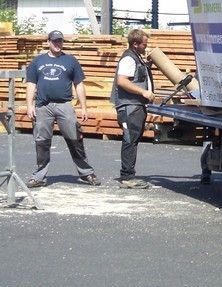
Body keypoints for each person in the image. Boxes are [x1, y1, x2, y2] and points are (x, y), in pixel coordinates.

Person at [25, 30, 101, 187]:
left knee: (75, 139)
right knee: (42, 142)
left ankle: (86, 173)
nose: (58, 44)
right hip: (43, 106)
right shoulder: (37, 61)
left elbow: (79, 84)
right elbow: (31, 84)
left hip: (64, 105)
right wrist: (29, 105)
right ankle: (39, 176)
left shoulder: (70, 61)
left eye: (60, 41)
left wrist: (84, 107)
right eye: (54, 41)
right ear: (48, 42)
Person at [110, 28, 156, 189]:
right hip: (129, 106)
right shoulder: (129, 59)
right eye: (144, 44)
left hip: (135, 105)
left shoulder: (135, 58)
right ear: (135, 44)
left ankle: (128, 174)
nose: (146, 47)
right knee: (130, 140)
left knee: (133, 139)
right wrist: (143, 91)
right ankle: (127, 177)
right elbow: (122, 81)